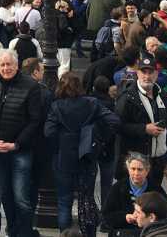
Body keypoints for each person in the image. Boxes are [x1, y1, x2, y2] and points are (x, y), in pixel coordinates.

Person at [43, 71, 120, 236]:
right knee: (86, 199)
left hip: (64, 159)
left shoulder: (57, 106)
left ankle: (65, 233)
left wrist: (62, 142)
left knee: (64, 201)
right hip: (87, 157)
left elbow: (49, 132)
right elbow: (114, 121)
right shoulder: (92, 103)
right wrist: (99, 139)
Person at [0, 48, 44, 237]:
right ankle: (13, 230)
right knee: (5, 195)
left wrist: (16, 144)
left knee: (21, 197)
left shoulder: (31, 86)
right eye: (2, 65)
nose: (6, 68)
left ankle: (23, 233)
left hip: (20, 151)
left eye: (9, 64)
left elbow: (35, 120)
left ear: (17, 65)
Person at [115, 53, 167, 188]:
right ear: (137, 74)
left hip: (158, 159)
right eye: (143, 72)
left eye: (150, 72)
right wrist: (144, 129)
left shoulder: (162, 94)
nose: (147, 76)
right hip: (137, 161)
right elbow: (118, 126)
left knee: (153, 196)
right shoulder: (127, 97)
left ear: (156, 74)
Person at [102, 152, 160, 237]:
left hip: (148, 233)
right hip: (122, 232)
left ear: (147, 171)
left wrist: (146, 220)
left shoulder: (155, 189)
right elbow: (107, 216)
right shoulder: (117, 188)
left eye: (140, 169)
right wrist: (125, 217)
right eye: (133, 169)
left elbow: (165, 216)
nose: (136, 173)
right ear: (128, 169)